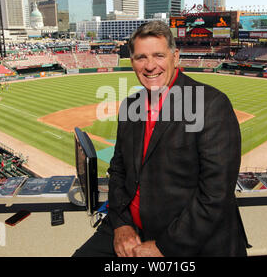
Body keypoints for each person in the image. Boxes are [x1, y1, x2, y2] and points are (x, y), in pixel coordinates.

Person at [73, 21, 247, 257]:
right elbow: (119, 169)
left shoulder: (210, 104)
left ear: (175, 56)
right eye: (141, 57)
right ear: (132, 61)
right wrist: (121, 223)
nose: (150, 66)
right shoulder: (130, 106)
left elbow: (216, 194)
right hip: (130, 228)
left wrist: (165, 247)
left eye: (158, 55)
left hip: (185, 237)